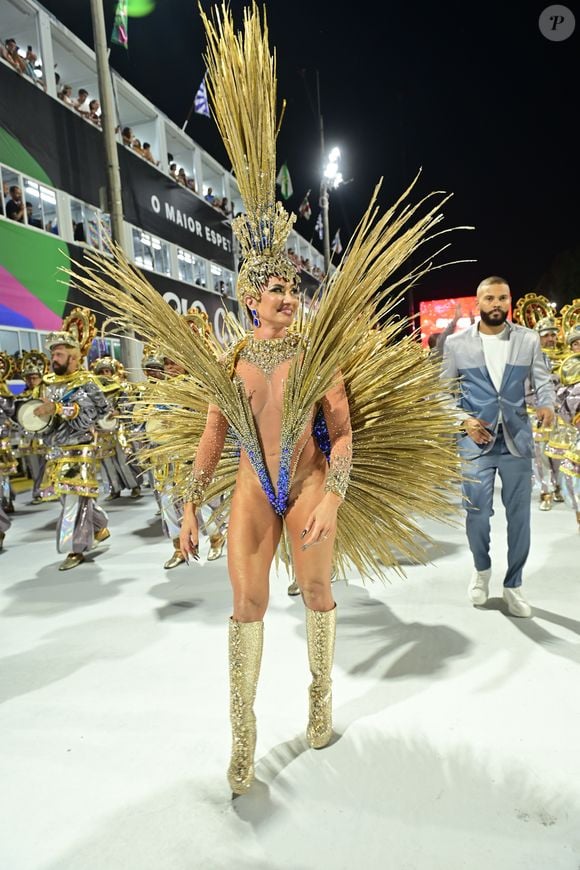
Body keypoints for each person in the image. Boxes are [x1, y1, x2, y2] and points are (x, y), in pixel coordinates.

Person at [71, 3, 464, 799]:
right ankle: (243, 743)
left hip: (312, 481)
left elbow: (343, 432)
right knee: (245, 607)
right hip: (254, 486)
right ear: (251, 300)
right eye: (274, 289)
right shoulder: (234, 358)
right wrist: (187, 509)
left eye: (292, 287)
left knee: (316, 591)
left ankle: (320, 702)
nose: (287, 297)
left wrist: (336, 496)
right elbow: (213, 440)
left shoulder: (319, 355)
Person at [442, 276, 556, 618]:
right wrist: (463, 420)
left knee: (520, 516)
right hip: (475, 442)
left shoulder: (528, 339)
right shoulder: (457, 345)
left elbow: (543, 380)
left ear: (510, 301)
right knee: (477, 513)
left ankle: (513, 585)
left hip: (517, 441)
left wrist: (547, 403)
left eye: (502, 298)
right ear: (479, 303)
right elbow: (439, 394)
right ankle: (481, 571)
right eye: (489, 298)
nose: (496, 304)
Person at [33, 310, 112, 570]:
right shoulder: (47, 383)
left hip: (80, 448)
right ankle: (100, 526)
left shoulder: (86, 382)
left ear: (74, 356)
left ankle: (74, 548)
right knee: (70, 497)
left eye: (58, 353)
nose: (53, 357)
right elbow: (39, 414)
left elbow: (93, 411)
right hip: (55, 449)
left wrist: (58, 409)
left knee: (73, 500)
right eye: (52, 353)